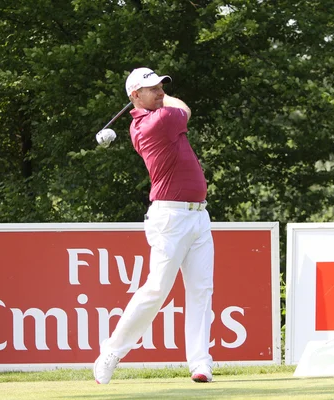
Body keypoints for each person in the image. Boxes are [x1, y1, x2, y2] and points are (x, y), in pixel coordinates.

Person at [93, 67, 215, 384]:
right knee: (157, 289)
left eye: (162, 86)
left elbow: (175, 108)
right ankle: (112, 351)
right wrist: (166, 99)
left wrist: (156, 94)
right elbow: (184, 109)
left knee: (201, 290)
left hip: (199, 215)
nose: (160, 92)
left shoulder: (157, 114)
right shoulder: (154, 123)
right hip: (170, 218)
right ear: (135, 96)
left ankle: (201, 363)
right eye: (152, 89)